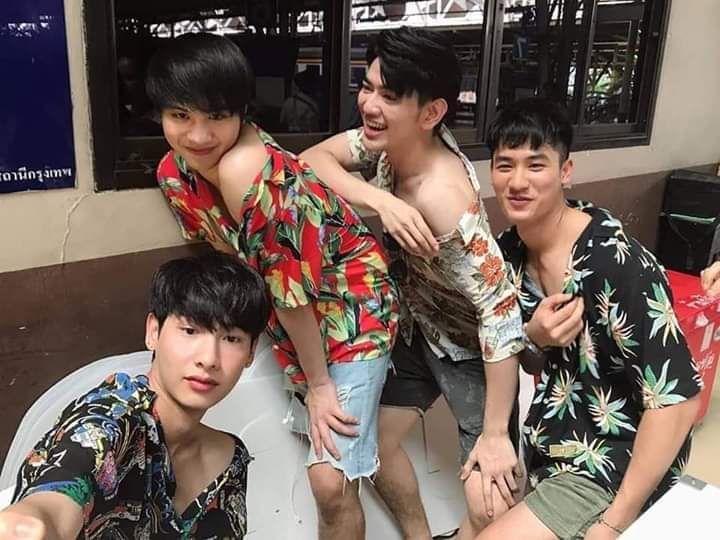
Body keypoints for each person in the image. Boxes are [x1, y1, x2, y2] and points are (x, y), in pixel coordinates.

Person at [146, 33, 398, 540]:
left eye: (217, 115)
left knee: (330, 479)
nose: (198, 134)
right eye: (180, 115)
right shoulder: (175, 173)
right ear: (160, 115)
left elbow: (290, 292)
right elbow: (228, 260)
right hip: (291, 317)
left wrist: (320, 386)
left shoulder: (247, 168)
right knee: (350, 461)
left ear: (241, 111)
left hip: (353, 303)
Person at [301, 26, 525, 540]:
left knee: (493, 499)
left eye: (390, 96)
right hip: (417, 327)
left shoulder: (443, 197)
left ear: (431, 113)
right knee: (373, 443)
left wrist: (495, 433)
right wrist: (381, 200)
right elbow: (310, 162)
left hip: (473, 350)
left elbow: (501, 309)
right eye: (367, 87)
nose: (369, 104)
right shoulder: (387, 146)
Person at [479, 97, 702, 539]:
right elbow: (524, 357)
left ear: (565, 171)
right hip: (551, 444)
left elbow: (678, 401)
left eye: (536, 165)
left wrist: (613, 523)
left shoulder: (617, 264)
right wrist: (534, 337)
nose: (517, 182)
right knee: (478, 501)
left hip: (615, 458)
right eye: (505, 165)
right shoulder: (507, 254)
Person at [0, 252, 271, 539]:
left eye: (231, 339)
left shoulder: (229, 459)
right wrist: (31, 522)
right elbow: (61, 489)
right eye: (190, 331)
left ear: (250, 352)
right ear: (153, 331)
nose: (209, 359)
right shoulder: (112, 420)